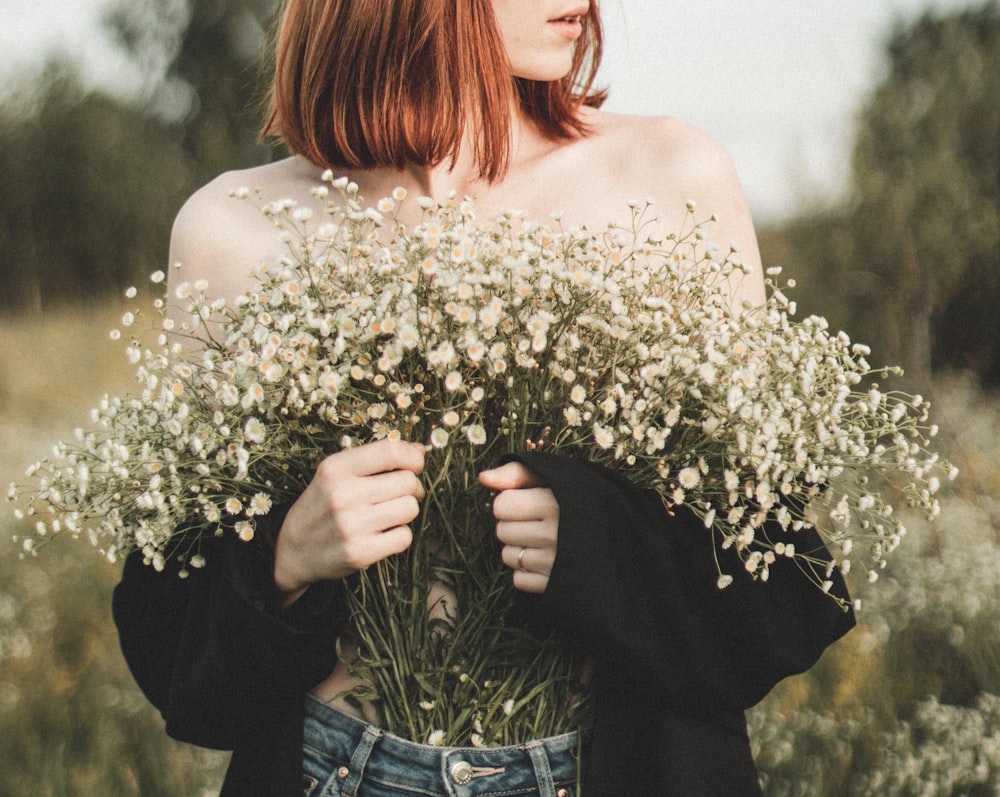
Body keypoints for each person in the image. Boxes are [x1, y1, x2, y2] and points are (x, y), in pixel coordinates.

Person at [112, 1, 855, 795]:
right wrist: (283, 560)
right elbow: (176, 659)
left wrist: (606, 544)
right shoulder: (231, 230)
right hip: (336, 770)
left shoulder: (669, 179)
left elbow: (779, 593)